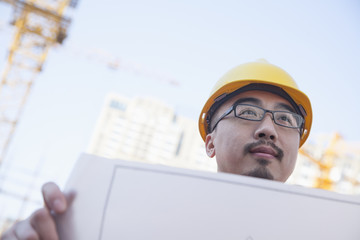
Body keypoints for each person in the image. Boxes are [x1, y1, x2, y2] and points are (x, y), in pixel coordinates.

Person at [1, 59, 312, 239]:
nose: (268, 129)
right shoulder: (133, 225)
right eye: (247, 112)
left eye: (285, 119)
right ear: (210, 142)